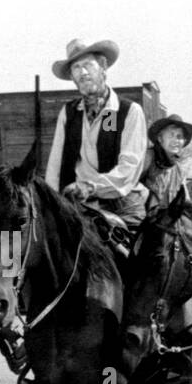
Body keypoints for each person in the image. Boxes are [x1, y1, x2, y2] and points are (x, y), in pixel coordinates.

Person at [43, 38, 148, 237]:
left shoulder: (127, 112)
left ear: (103, 68)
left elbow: (129, 168)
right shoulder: (69, 113)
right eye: (76, 68)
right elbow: (54, 169)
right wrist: (52, 204)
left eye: (87, 65)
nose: (82, 73)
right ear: (72, 77)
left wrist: (90, 187)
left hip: (121, 207)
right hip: (79, 208)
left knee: (134, 261)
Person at [143, 114, 192, 212]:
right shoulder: (147, 158)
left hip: (166, 223)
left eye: (179, 136)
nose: (175, 140)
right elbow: (128, 186)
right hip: (140, 220)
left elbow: (185, 200)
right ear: (160, 138)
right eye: (171, 135)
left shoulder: (179, 170)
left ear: (184, 142)